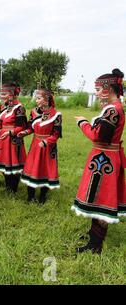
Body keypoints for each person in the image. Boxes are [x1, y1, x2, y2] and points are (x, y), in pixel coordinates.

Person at [72, 69, 125, 254]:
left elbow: (99, 136)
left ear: (108, 89)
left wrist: (83, 123)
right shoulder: (114, 108)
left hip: (105, 161)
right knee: (96, 196)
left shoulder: (113, 110)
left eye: (97, 88)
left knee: (102, 198)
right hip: (103, 159)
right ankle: (93, 235)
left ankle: (95, 246)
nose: (96, 92)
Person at [19, 89, 62, 204]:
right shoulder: (34, 112)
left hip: (48, 146)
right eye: (36, 98)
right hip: (35, 145)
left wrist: (46, 141)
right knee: (32, 168)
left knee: (45, 169)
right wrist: (24, 133)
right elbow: (30, 128)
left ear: (46, 99)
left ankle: (43, 197)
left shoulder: (56, 115)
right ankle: (30, 197)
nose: (36, 100)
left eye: (38, 98)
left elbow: (56, 134)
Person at [0, 83, 27, 193]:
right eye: (0, 93)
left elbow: (22, 127)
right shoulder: (3, 107)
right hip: (2, 139)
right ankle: (8, 187)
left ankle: (13, 189)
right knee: (4, 165)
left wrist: (10, 132)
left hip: (13, 139)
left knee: (14, 165)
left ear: (11, 94)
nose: (1, 96)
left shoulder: (19, 108)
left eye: (4, 94)